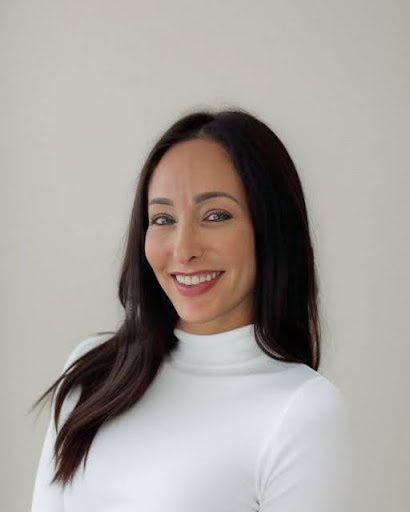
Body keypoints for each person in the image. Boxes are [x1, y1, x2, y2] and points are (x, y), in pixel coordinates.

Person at [30, 108, 352, 511]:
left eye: (216, 215)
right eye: (163, 218)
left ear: (270, 227)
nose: (184, 249)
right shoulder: (93, 371)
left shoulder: (303, 411)